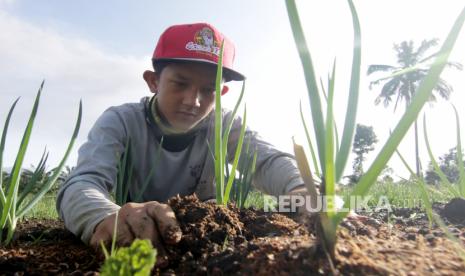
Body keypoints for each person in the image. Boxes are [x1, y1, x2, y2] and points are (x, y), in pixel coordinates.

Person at [56, 22, 306, 263]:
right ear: (153, 81)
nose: (193, 101)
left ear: (221, 94)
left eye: (209, 90)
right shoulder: (121, 121)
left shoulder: (224, 125)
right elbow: (82, 183)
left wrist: (304, 190)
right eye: (180, 83)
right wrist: (105, 216)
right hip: (138, 235)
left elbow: (266, 161)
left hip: (205, 239)